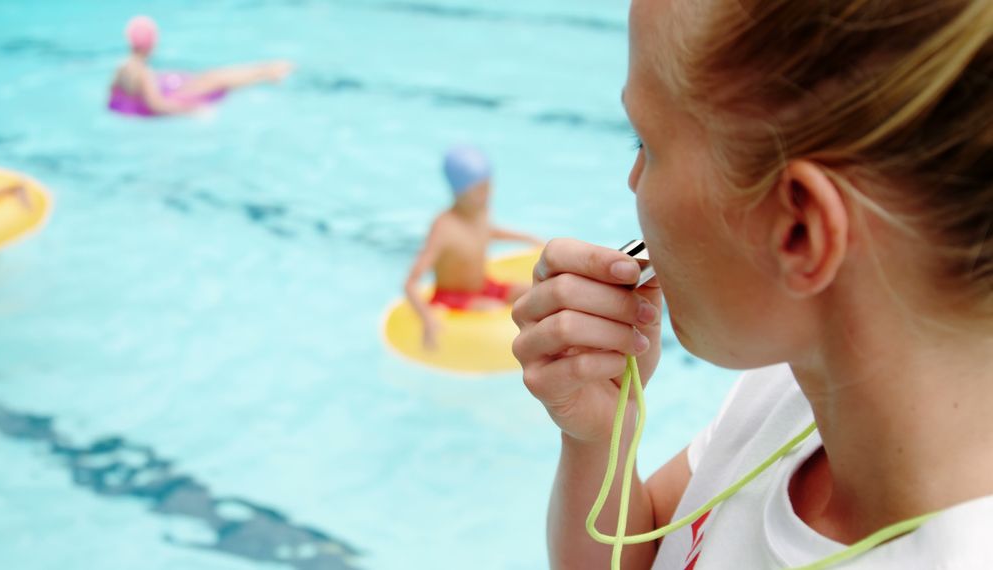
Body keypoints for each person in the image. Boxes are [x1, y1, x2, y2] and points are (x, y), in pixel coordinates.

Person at [512, 0, 993, 568]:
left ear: (799, 231)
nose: (633, 181)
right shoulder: (806, 387)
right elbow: (637, 555)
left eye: (645, 144)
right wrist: (599, 440)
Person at [404, 146, 543, 349]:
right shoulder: (444, 228)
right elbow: (410, 284)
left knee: (535, 292)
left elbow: (488, 231)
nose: (488, 193)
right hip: (453, 299)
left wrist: (527, 238)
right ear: (458, 192)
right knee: (495, 312)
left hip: (485, 286)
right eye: (480, 189)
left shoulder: (480, 211)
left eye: (489, 186)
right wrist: (427, 318)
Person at [108, 15, 294, 117]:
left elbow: (113, 95)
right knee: (217, 79)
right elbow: (157, 105)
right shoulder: (144, 72)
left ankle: (267, 71)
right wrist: (193, 111)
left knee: (211, 76)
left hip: (167, 91)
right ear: (151, 44)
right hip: (175, 96)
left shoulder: (122, 66)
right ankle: (267, 72)